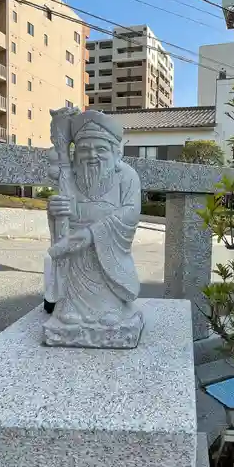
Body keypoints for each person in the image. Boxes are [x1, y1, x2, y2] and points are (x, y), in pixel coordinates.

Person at [45, 110, 141, 329]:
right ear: (76, 153)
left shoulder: (126, 176)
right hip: (75, 250)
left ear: (116, 154)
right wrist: (55, 209)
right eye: (84, 149)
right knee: (76, 265)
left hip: (106, 248)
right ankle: (70, 305)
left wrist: (92, 233)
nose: (92, 155)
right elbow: (61, 214)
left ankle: (111, 307)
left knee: (102, 273)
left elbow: (131, 211)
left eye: (101, 149)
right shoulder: (70, 177)